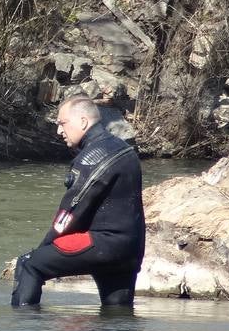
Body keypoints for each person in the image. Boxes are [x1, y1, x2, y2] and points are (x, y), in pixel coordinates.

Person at [10, 95, 145, 308]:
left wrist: (43, 250)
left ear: (83, 122)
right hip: (131, 249)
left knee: (29, 264)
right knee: (117, 318)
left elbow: (71, 211)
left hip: (103, 245)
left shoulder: (91, 158)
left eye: (62, 123)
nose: (59, 131)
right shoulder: (125, 149)